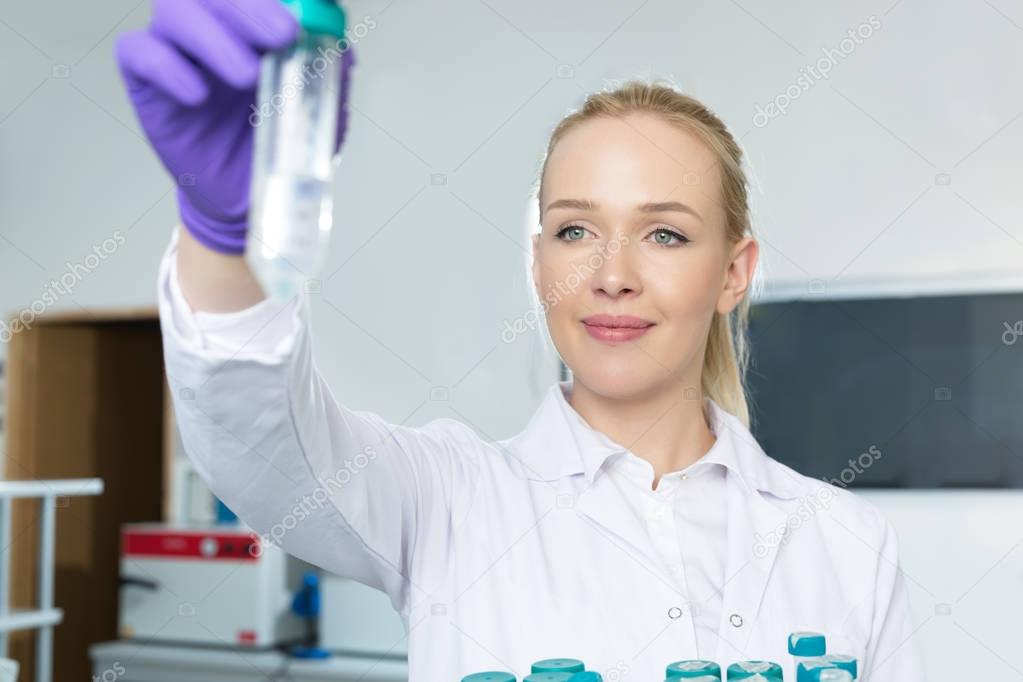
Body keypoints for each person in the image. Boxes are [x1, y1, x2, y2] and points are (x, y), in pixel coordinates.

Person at [116, 1, 923, 679]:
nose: (611, 275)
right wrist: (223, 233)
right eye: (575, 231)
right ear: (538, 264)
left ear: (732, 273)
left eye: (665, 236)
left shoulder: (843, 542)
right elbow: (262, 449)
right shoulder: (445, 500)